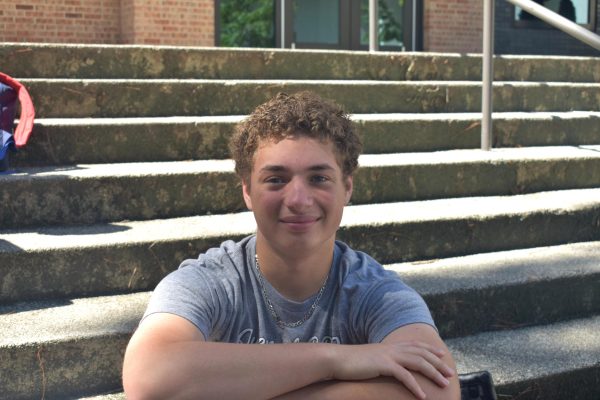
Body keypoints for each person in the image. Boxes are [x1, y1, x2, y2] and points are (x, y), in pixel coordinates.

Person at [123, 91, 460, 400]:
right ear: (246, 191)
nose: (298, 199)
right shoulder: (208, 282)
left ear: (347, 188)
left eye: (318, 178)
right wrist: (337, 360)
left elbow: (438, 390)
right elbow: (150, 375)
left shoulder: (375, 291)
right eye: (276, 179)